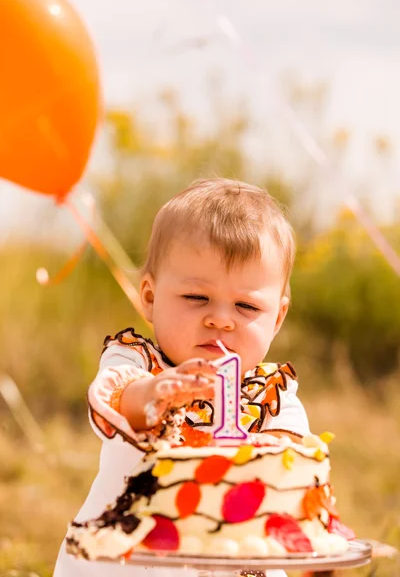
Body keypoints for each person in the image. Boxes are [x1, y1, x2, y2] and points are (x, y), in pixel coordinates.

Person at [54, 178, 310, 577]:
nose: (220, 319)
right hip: (128, 561)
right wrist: (156, 393)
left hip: (235, 559)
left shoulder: (272, 394)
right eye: (196, 298)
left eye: (246, 306)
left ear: (277, 318)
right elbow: (118, 402)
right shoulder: (138, 360)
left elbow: (288, 461)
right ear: (150, 298)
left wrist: (259, 450)